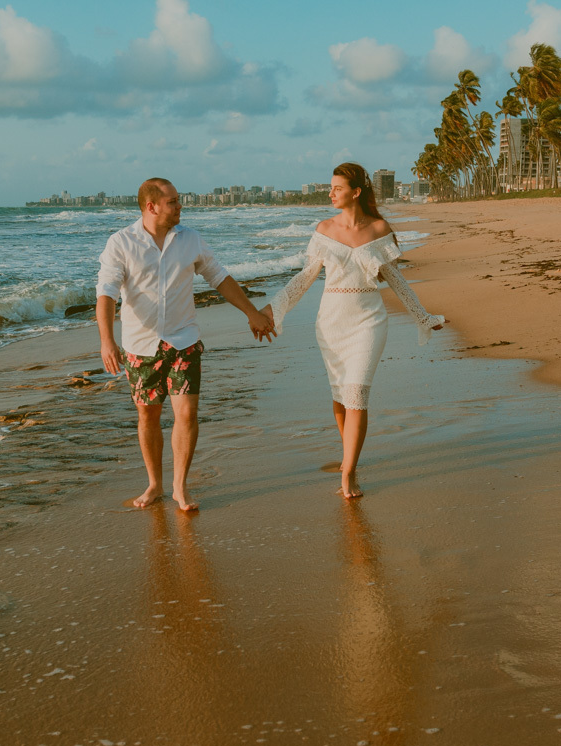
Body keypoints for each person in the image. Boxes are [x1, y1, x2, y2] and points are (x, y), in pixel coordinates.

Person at [260, 163, 445, 499]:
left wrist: (423, 315)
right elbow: (304, 279)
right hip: (331, 323)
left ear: (356, 192)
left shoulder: (378, 229)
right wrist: (274, 308)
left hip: (368, 321)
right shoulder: (324, 229)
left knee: (357, 393)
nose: (330, 193)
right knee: (340, 398)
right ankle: (351, 462)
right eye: (331, 187)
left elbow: (395, 280)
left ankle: (347, 475)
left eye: (337, 188)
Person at [97, 178, 275, 511]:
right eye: (173, 202)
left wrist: (251, 313)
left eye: (179, 201)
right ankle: (154, 484)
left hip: (183, 341)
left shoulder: (190, 239)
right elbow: (106, 294)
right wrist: (107, 341)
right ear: (151, 206)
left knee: (187, 414)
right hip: (140, 346)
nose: (180, 206)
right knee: (148, 417)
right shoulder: (121, 243)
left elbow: (219, 278)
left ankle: (180, 487)